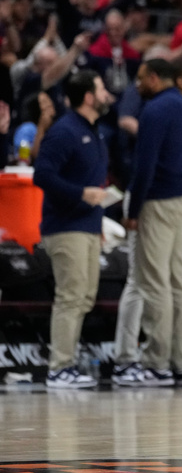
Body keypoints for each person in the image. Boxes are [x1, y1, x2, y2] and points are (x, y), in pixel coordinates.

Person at [126, 58, 182, 386]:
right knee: (179, 281)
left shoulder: (154, 110)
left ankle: (157, 361)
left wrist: (133, 210)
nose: (137, 85)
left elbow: (144, 164)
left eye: (141, 78)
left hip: (160, 200)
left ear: (155, 78)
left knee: (155, 282)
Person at [33, 70, 111, 389]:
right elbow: (42, 175)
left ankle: (66, 363)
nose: (107, 94)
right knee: (71, 296)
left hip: (88, 226)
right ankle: (59, 367)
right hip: (65, 227)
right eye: (102, 89)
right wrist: (80, 194)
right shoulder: (65, 131)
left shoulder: (94, 130)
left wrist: (97, 222)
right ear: (89, 97)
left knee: (85, 297)